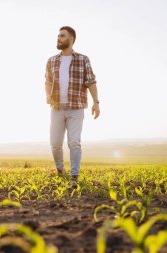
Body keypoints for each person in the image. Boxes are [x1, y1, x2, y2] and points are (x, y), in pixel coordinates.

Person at [44, 26, 100, 189]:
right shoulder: (52, 60)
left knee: (74, 142)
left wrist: (96, 103)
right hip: (56, 108)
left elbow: (91, 82)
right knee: (55, 143)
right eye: (58, 36)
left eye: (62, 36)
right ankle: (60, 170)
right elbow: (47, 81)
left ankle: (74, 176)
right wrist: (48, 96)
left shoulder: (83, 59)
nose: (58, 38)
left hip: (76, 108)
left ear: (71, 39)